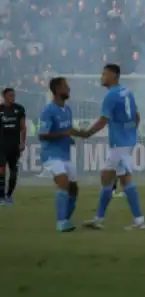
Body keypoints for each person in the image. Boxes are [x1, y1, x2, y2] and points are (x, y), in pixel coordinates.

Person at [80, 64, 145, 230]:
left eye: (104, 74)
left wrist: (87, 133)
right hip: (127, 141)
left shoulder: (110, 96)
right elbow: (137, 116)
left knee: (116, 178)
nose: (101, 77)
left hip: (119, 144)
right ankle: (101, 219)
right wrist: (130, 132)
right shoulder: (127, 91)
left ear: (113, 76)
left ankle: (136, 221)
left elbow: (103, 120)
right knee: (114, 178)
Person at [38, 78, 80, 232]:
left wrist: (69, 138)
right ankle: (61, 222)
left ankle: (66, 219)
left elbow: (66, 131)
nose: (68, 89)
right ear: (57, 90)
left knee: (74, 189)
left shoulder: (67, 110)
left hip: (65, 154)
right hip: (50, 154)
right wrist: (64, 133)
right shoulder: (48, 111)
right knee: (63, 180)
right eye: (65, 87)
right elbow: (42, 135)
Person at [0, 88, 26, 205]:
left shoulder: (19, 109)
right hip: (1, 146)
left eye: (14, 95)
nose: (13, 97)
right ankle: (1, 196)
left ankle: (9, 195)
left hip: (14, 146)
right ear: (4, 96)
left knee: (14, 172)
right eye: (10, 95)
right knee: (1, 171)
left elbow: (23, 128)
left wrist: (22, 142)